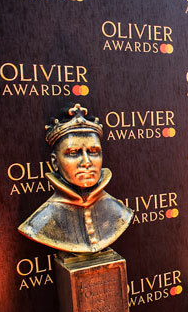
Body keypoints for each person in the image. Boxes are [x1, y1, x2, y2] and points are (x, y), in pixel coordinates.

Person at [18, 104, 134, 253]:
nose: (86, 162)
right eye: (73, 152)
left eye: (93, 152)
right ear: (55, 162)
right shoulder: (39, 224)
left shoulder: (121, 213)